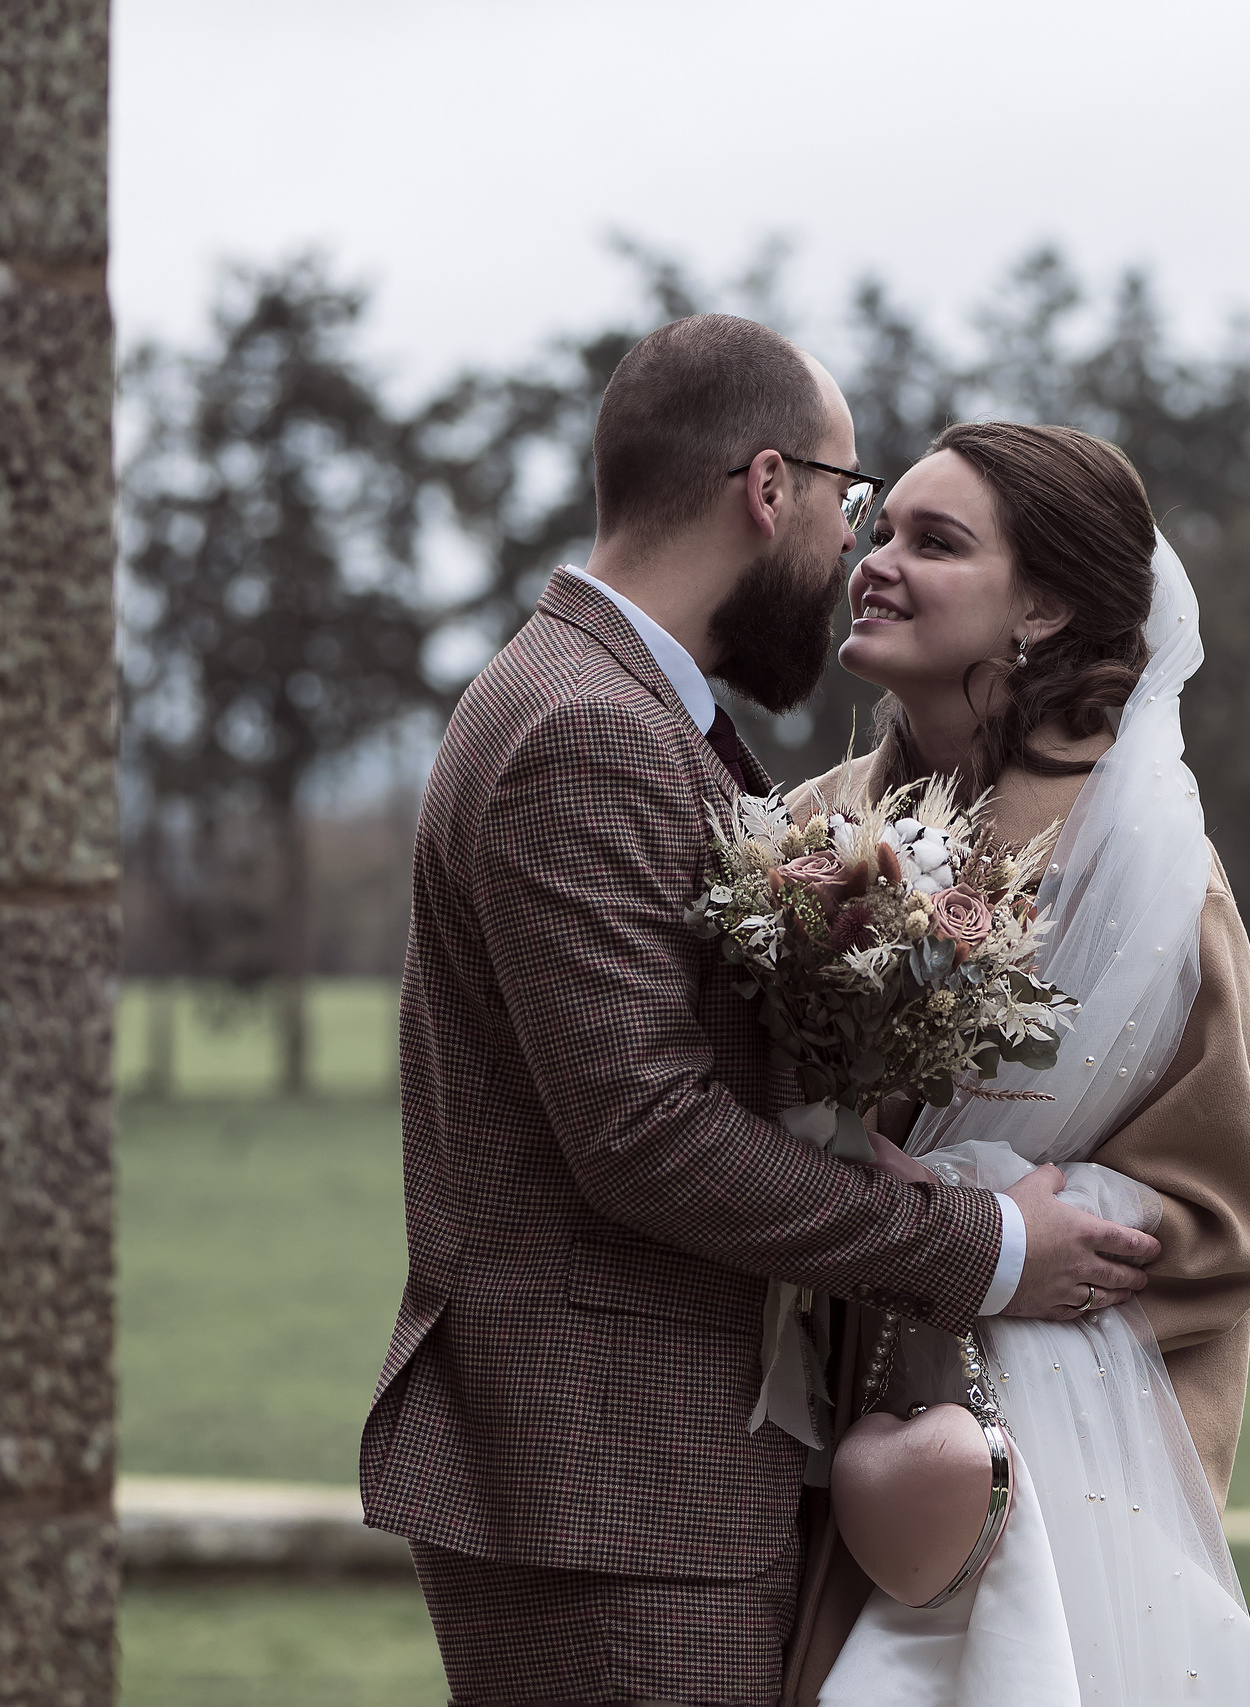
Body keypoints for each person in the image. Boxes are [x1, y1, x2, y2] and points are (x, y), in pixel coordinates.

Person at [360, 317, 1161, 1706]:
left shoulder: (605, 703)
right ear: (769, 486)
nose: (854, 547)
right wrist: (983, 1247)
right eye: (853, 501)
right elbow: (647, 1134)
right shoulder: (589, 728)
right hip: (618, 1486)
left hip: (628, 1481)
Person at [777, 423, 1250, 1705]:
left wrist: (985, 1219)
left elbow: (1219, 1228)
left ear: (1044, 607)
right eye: (880, 529)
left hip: (1037, 1510)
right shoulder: (798, 838)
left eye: (936, 542)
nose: (875, 562)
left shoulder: (1151, 881)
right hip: (780, 1470)